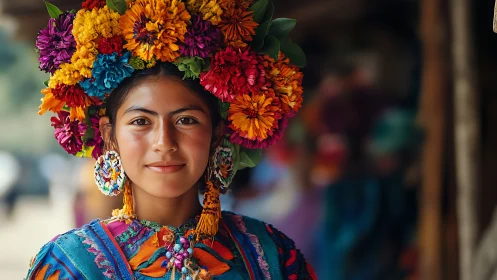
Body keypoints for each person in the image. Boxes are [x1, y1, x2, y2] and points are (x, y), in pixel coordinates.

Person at [26, 0, 315, 279]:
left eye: (186, 120)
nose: (164, 142)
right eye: (141, 122)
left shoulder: (273, 256)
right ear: (109, 136)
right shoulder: (70, 266)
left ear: (217, 135)